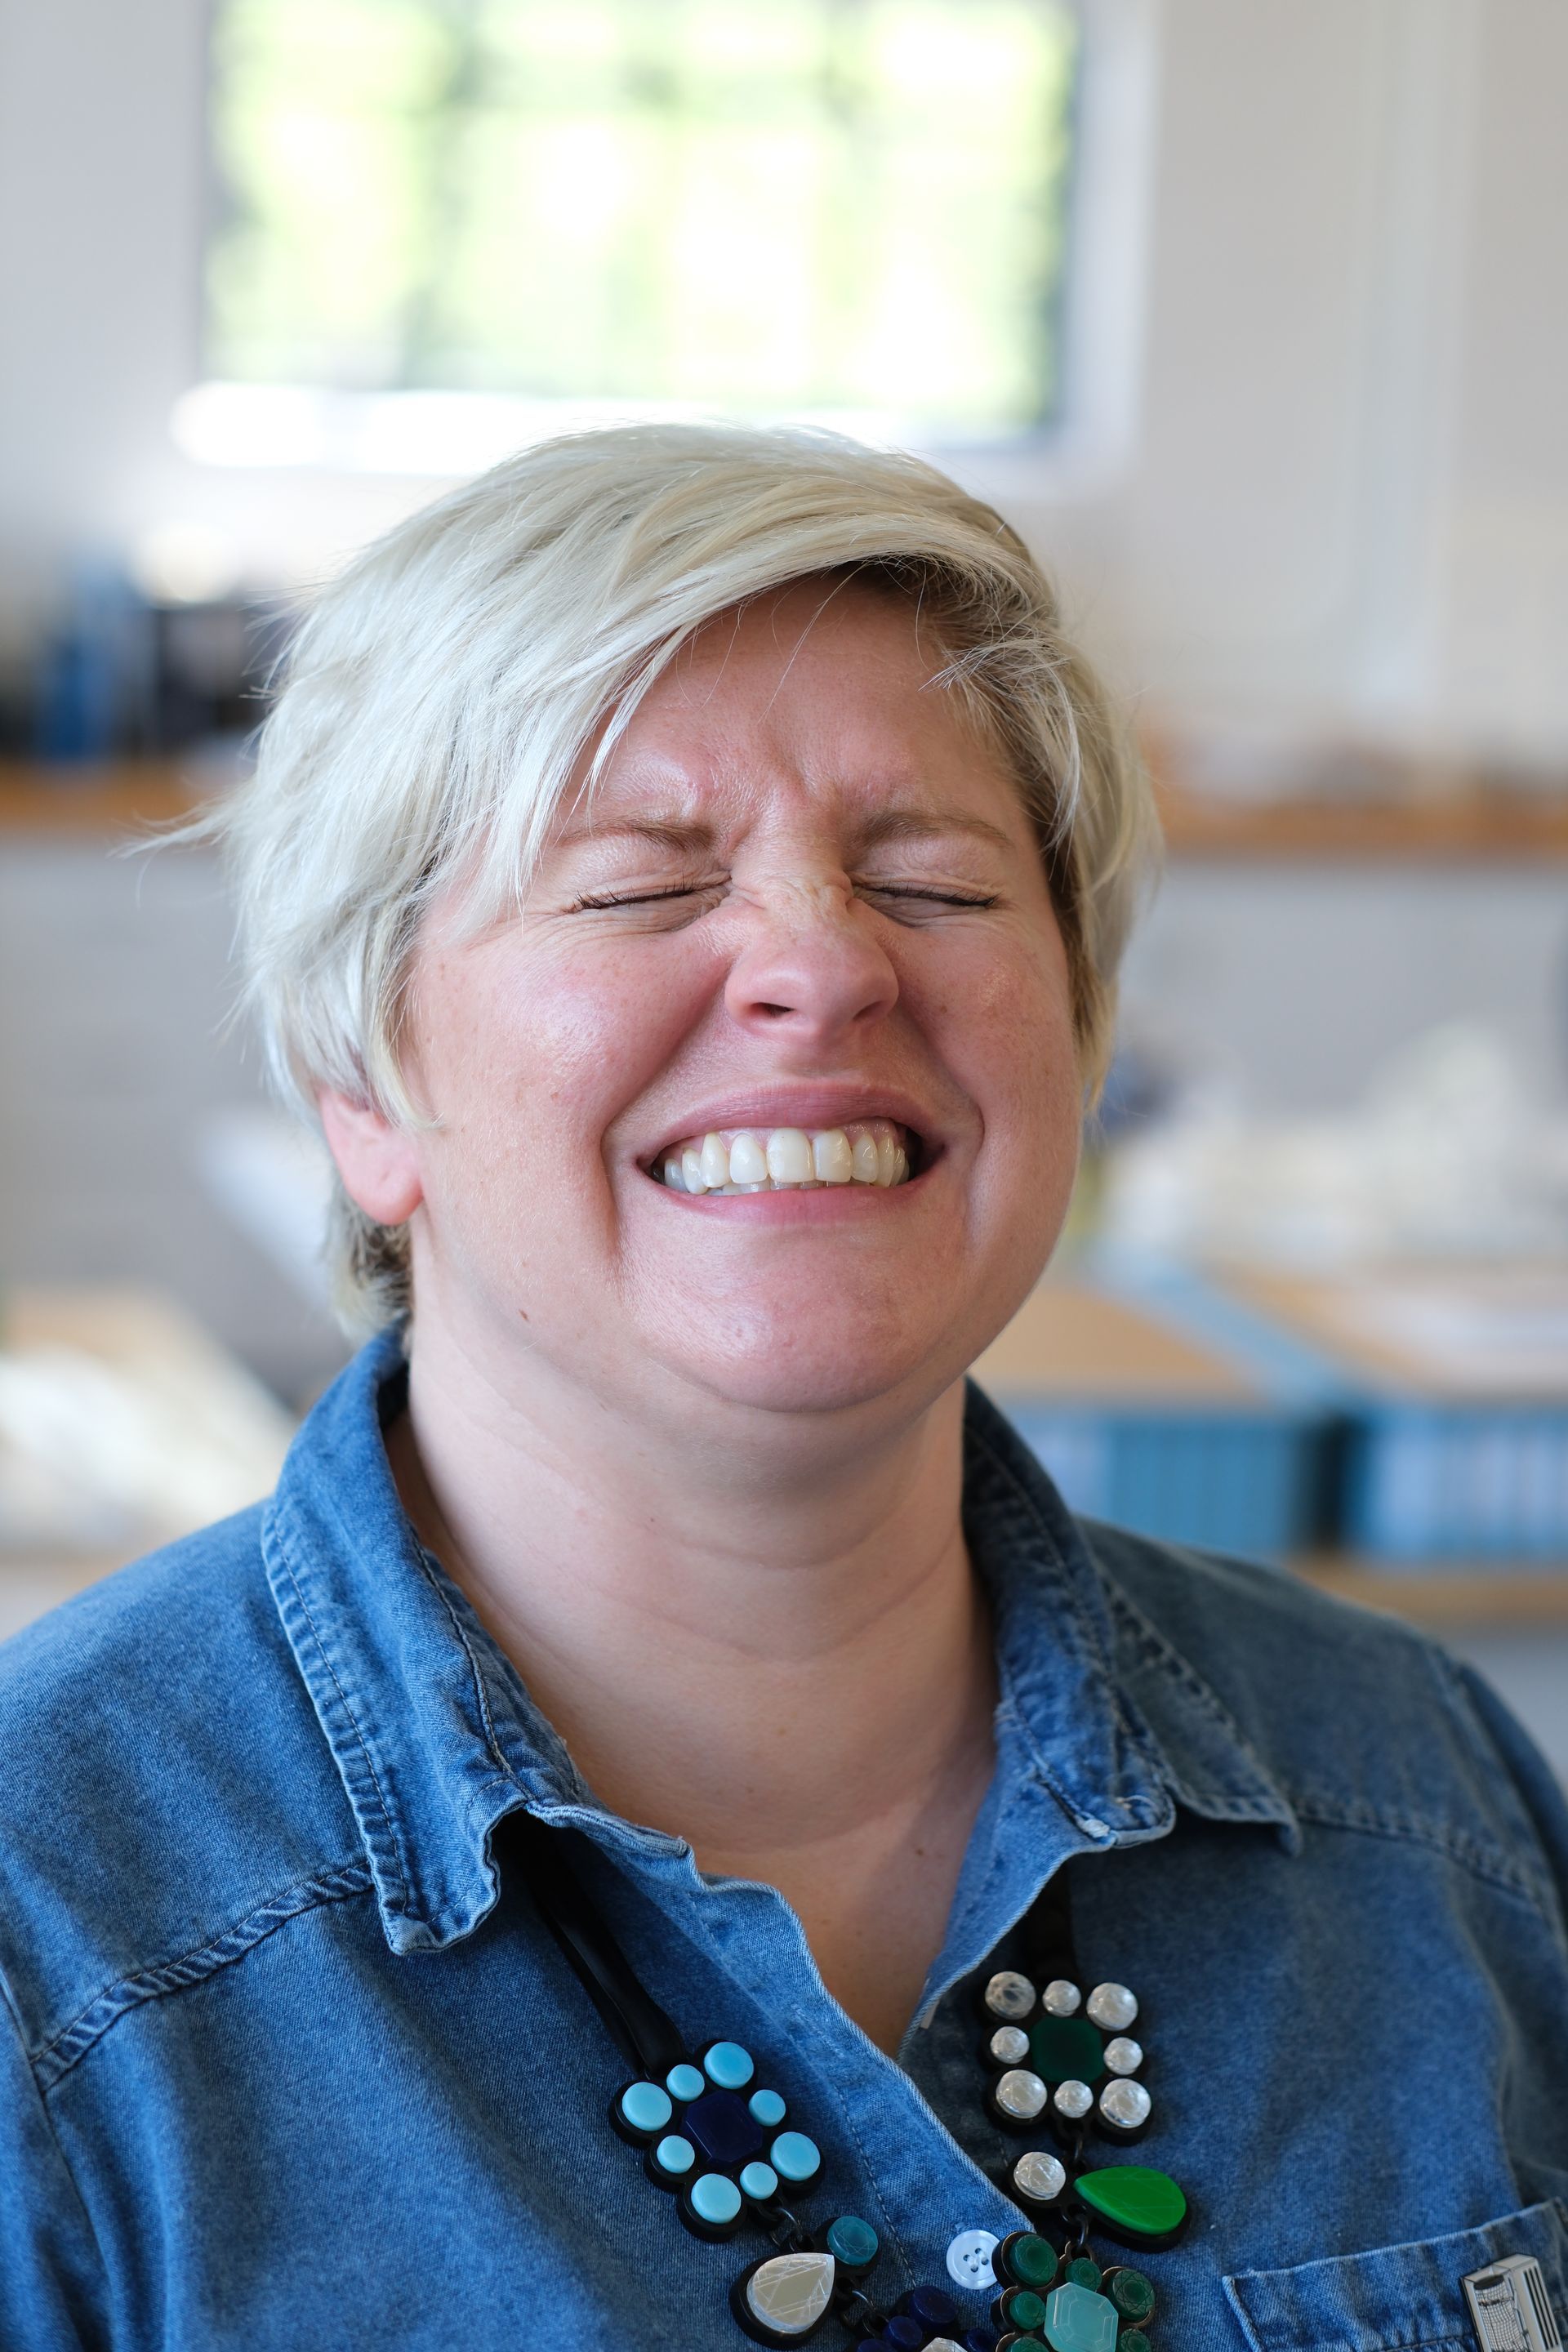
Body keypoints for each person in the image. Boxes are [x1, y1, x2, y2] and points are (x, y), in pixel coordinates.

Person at [2, 425, 1564, 2352]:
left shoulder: (1427, 1802)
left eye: (931, 877)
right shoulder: (51, 1940)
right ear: (362, 1088)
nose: (819, 966)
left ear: (1076, 1042)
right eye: (641, 887)